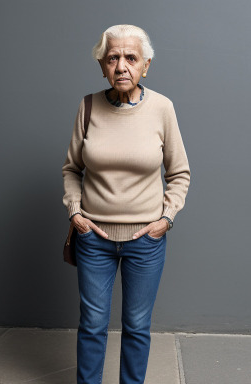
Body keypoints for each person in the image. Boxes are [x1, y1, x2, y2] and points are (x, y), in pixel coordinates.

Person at [62, 24, 190, 384]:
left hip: (145, 241)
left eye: (131, 58)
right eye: (113, 57)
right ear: (102, 65)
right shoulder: (87, 107)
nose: (122, 66)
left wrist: (165, 219)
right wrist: (75, 212)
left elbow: (180, 173)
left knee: (136, 326)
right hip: (93, 237)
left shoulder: (162, 108)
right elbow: (72, 169)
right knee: (92, 324)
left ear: (145, 65)